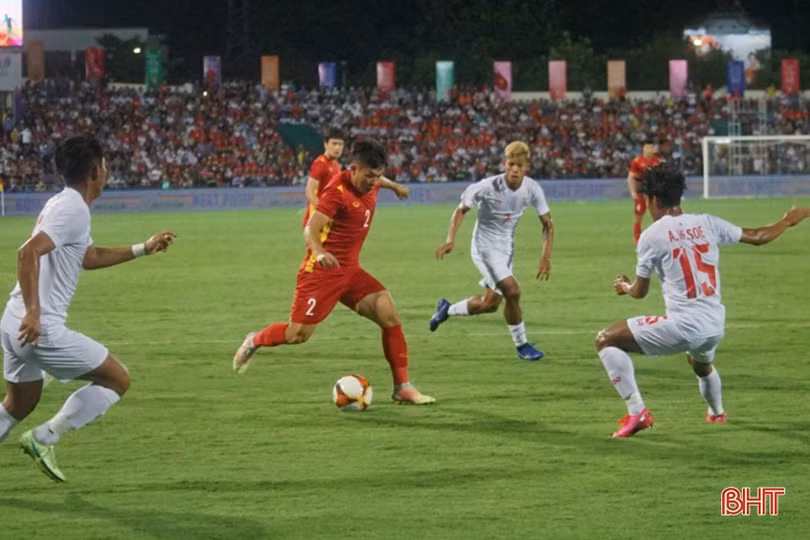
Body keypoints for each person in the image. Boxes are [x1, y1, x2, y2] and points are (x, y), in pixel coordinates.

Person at [0, 134, 176, 481]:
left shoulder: (63, 204)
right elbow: (27, 252)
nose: (108, 171)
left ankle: (39, 433)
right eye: (105, 165)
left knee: (18, 405)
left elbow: (87, 256)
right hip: (38, 327)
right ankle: (44, 437)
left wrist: (143, 248)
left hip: (12, 322)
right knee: (117, 379)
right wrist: (35, 312)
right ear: (94, 172)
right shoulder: (72, 208)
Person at [596, 164, 810, 438]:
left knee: (605, 340)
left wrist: (624, 286)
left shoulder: (651, 236)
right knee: (701, 365)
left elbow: (640, 291)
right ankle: (717, 413)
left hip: (685, 324)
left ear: (654, 200)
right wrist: (789, 220)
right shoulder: (708, 223)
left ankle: (637, 412)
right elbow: (759, 237)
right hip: (714, 324)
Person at [234, 139, 435, 405]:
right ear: (353, 169)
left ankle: (403, 387)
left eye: (378, 176)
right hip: (321, 272)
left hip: (350, 272)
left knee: (388, 312)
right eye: (369, 176)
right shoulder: (337, 192)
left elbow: (379, 180)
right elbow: (311, 229)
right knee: (298, 335)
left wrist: (395, 186)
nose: (374, 182)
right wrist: (318, 252)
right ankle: (255, 339)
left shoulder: (371, 181)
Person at [430, 141, 554, 361]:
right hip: (484, 248)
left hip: (506, 249)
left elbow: (547, 224)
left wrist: (545, 256)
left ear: (527, 167)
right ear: (504, 164)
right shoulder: (486, 187)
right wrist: (450, 240)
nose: (515, 169)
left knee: (490, 304)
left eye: (520, 165)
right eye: (511, 164)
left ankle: (446, 309)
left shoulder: (532, 188)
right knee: (513, 292)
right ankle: (522, 345)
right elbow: (460, 211)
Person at [303, 129, 345, 227]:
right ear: (326, 145)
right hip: (316, 220)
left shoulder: (337, 165)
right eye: (334, 144)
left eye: (340, 144)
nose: (337, 147)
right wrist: (324, 212)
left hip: (328, 220)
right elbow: (309, 192)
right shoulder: (320, 164)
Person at [627, 139, 661, 245]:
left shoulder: (657, 161)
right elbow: (631, 177)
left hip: (653, 193)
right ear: (643, 149)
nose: (649, 150)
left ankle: (658, 238)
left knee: (656, 216)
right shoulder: (637, 161)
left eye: (651, 147)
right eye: (647, 147)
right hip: (641, 192)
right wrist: (633, 192)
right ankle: (637, 240)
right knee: (638, 215)